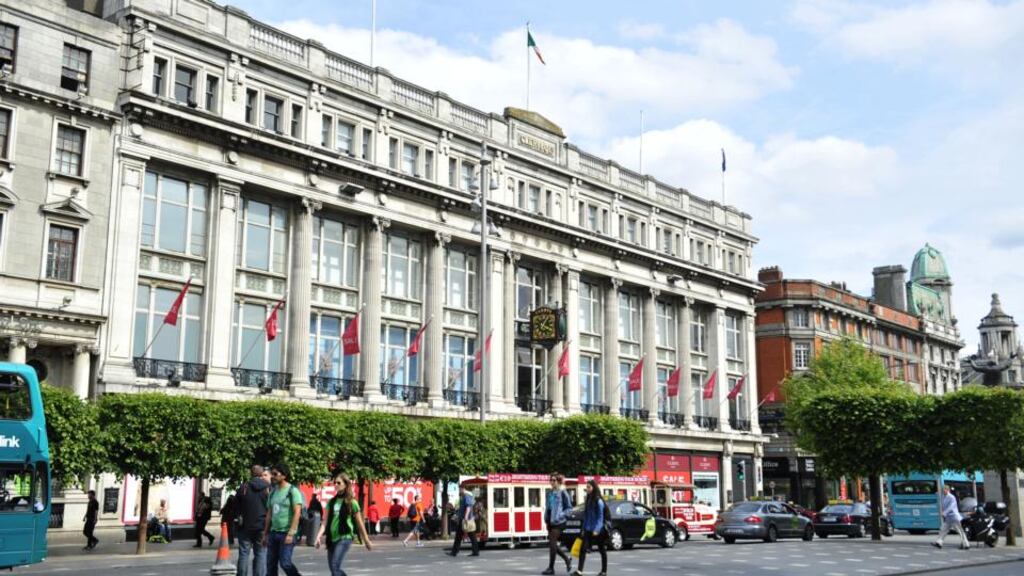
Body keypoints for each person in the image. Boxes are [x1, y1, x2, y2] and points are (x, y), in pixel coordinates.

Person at [316, 474, 373, 576]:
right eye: (335, 483)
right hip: (332, 539)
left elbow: (360, 523)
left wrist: (366, 540)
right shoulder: (331, 502)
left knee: (334, 566)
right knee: (334, 571)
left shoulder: (352, 502)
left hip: (345, 537)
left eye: (339, 483)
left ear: (346, 485)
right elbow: (325, 521)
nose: (336, 485)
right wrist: (318, 536)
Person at [263, 464, 305, 576]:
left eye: (275, 474)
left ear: (284, 475)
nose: (273, 476)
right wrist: (265, 533)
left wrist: (291, 533)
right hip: (273, 533)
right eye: (272, 474)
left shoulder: (292, 491)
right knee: (270, 565)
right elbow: (269, 514)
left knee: (285, 563)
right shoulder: (272, 492)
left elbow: (297, 512)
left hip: (286, 533)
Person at [237, 465, 272, 576]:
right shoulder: (268, 488)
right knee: (261, 553)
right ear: (262, 474)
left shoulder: (244, 487)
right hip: (262, 526)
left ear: (251, 473)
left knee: (243, 553)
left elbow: (236, 506)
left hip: (245, 526)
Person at [573, 479, 607, 576]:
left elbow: (601, 517)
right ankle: (579, 571)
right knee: (583, 549)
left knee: (601, 550)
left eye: (589, 487)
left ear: (593, 488)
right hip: (588, 528)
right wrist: (583, 528)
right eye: (586, 487)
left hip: (598, 529)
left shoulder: (599, 501)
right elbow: (586, 515)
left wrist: (597, 529)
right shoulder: (588, 499)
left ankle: (604, 571)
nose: (587, 489)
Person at [543, 474, 573, 575]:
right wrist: (546, 519)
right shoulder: (549, 493)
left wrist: (560, 515)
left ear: (559, 481)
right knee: (553, 544)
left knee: (552, 543)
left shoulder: (563, 493)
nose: (551, 482)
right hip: (550, 521)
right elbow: (548, 507)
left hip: (559, 522)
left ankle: (551, 568)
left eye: (554, 480)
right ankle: (567, 560)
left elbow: (569, 509)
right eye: (550, 480)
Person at [933, 485, 969, 550]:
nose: (943, 491)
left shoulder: (951, 497)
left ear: (948, 490)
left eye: (944, 490)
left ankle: (966, 544)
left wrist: (944, 513)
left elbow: (951, 507)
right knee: (943, 530)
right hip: (948, 518)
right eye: (943, 490)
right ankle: (939, 542)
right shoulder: (944, 496)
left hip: (954, 517)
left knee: (960, 531)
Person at [449, 485, 478, 557]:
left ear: (463, 489)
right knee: (462, 536)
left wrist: (465, 517)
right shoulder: (463, 496)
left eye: (459, 489)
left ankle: (455, 551)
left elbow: (468, 507)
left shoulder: (466, 496)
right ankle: (455, 551)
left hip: (466, 520)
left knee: (469, 536)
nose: (459, 491)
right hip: (463, 519)